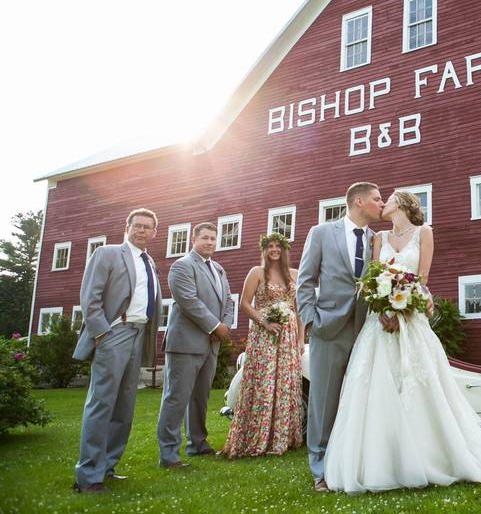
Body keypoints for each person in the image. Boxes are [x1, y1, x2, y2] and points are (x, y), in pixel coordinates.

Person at [325, 190, 481, 494]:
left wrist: (404, 307)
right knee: (375, 386)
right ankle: (382, 457)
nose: (382, 203)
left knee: (419, 384)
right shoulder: (379, 239)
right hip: (379, 324)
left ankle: (432, 453)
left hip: (411, 319)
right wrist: (384, 309)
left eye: (387, 199)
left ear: (401, 203)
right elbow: (374, 278)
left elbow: (422, 279)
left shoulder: (424, 233)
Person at [296, 182, 383, 492]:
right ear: (358, 201)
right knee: (323, 400)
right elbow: (304, 281)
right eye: (376, 199)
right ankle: (319, 468)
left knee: (359, 399)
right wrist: (312, 321)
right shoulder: (321, 233)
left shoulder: (377, 240)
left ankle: (353, 463)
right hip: (328, 329)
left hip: (367, 330)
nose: (381, 204)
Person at [72, 208, 162, 493]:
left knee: (125, 406)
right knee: (101, 404)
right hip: (114, 333)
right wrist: (102, 332)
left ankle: (107, 467)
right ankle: (88, 476)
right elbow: (90, 297)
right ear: (127, 227)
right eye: (137, 225)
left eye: (147, 227)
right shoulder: (108, 254)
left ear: (154, 232)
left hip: (138, 334)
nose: (142, 230)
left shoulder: (150, 262)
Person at [221, 232, 304, 457]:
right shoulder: (256, 272)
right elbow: (244, 304)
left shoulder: (295, 274)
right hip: (264, 334)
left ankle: (282, 438)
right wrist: (265, 322)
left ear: (285, 249)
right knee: (264, 380)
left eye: (279, 246)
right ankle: (257, 435)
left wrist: (300, 340)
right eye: (270, 246)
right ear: (264, 250)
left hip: (289, 335)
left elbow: (299, 309)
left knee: (285, 382)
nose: (275, 250)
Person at [157, 222, 233, 467]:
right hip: (186, 344)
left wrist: (224, 327)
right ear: (194, 239)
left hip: (211, 344)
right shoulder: (182, 266)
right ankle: (168, 454)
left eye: (213, 238)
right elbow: (189, 301)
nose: (210, 242)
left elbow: (228, 302)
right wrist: (214, 326)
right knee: (176, 398)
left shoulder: (219, 268)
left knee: (200, 397)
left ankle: (198, 444)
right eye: (205, 238)